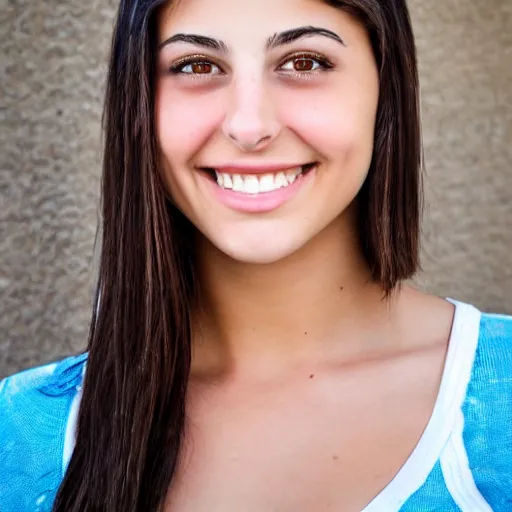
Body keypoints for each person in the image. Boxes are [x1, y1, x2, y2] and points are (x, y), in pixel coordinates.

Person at [1, 0, 511, 510]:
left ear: (386, 86)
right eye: (197, 66)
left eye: (305, 62)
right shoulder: (18, 438)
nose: (249, 127)